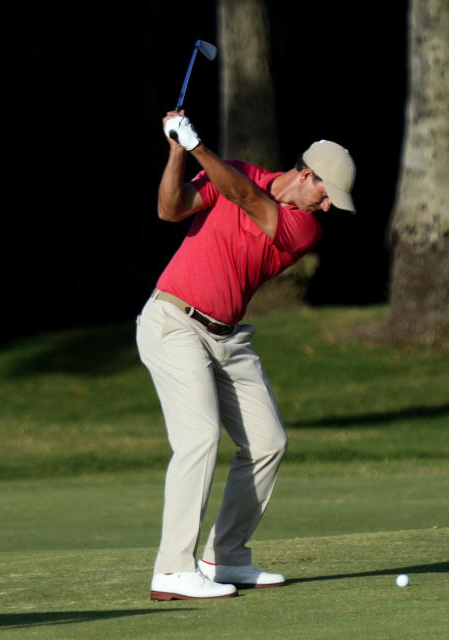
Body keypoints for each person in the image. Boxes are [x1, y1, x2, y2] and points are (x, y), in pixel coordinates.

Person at [137, 110, 355, 601]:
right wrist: (177, 151)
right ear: (306, 175)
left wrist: (196, 147)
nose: (325, 208)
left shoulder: (303, 229)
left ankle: (224, 557)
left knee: (268, 441)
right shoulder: (232, 170)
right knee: (198, 438)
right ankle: (173, 568)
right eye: (324, 195)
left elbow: (244, 196)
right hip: (173, 322)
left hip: (228, 339)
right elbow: (170, 210)